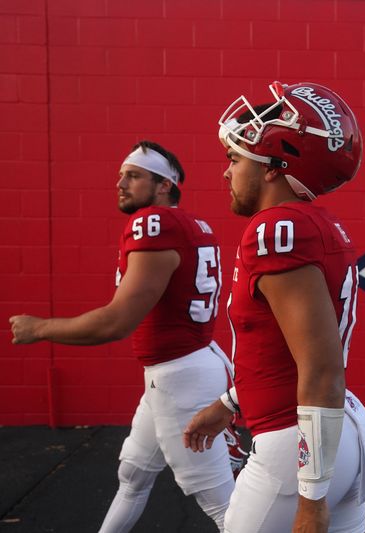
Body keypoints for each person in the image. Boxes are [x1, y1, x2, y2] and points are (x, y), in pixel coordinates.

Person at [183, 81, 365, 533]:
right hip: (334, 430)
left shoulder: (276, 230)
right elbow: (288, 350)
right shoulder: (316, 223)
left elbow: (319, 368)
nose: (226, 173)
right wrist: (231, 401)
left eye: (235, 159)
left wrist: (311, 496)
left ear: (275, 166)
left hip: (294, 445)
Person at [9, 140, 237, 532]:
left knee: (227, 510)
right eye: (121, 175)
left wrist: (39, 328)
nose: (120, 183)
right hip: (186, 367)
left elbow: (115, 322)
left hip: (178, 378)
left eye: (133, 176)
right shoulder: (192, 223)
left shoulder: (155, 224)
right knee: (133, 474)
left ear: (164, 185)